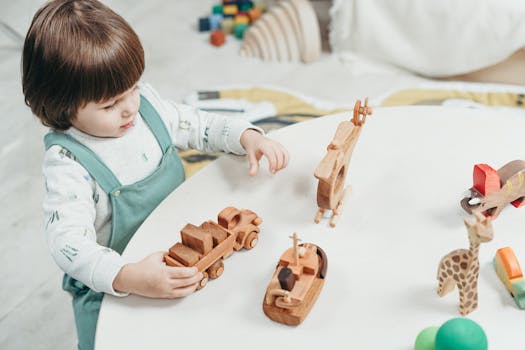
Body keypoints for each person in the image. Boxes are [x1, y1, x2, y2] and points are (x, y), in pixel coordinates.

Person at [21, 1, 289, 349]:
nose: (131, 105)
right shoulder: (69, 162)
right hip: (117, 281)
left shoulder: (146, 107)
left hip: (182, 247)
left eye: (133, 87)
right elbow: (67, 244)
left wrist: (246, 136)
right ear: (61, 106)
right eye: (110, 104)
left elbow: (201, 125)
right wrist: (127, 277)